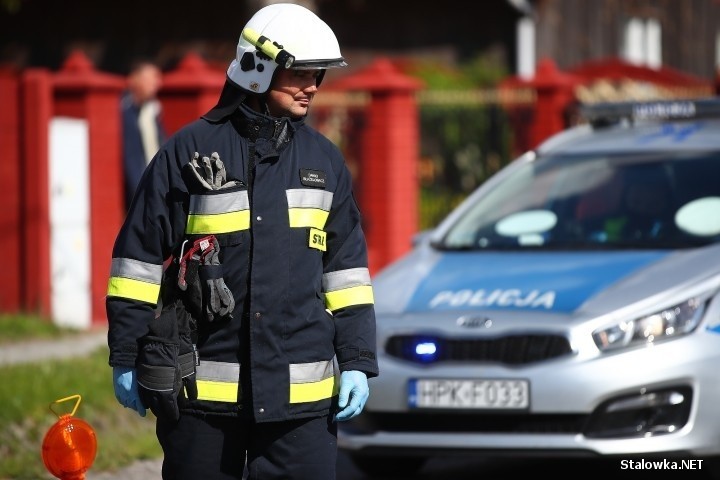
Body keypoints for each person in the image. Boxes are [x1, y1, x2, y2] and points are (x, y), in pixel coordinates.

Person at [106, 4, 379, 480]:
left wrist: (356, 359)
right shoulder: (188, 153)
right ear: (258, 68)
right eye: (300, 71)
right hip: (203, 405)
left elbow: (348, 273)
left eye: (319, 74)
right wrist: (127, 353)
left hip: (301, 409)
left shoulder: (324, 161)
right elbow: (138, 260)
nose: (313, 84)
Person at [120, 58, 166, 211]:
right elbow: (130, 158)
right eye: (151, 78)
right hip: (134, 195)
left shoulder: (152, 110)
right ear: (133, 79)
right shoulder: (123, 111)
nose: (157, 83)